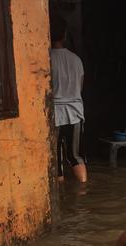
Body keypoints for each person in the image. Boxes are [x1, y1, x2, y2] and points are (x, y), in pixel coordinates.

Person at [50, 19, 87, 182]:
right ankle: (84, 190)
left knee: (56, 159)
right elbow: (80, 87)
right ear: (65, 35)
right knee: (75, 156)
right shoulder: (76, 59)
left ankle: (61, 200)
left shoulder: (47, 58)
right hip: (74, 112)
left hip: (55, 114)